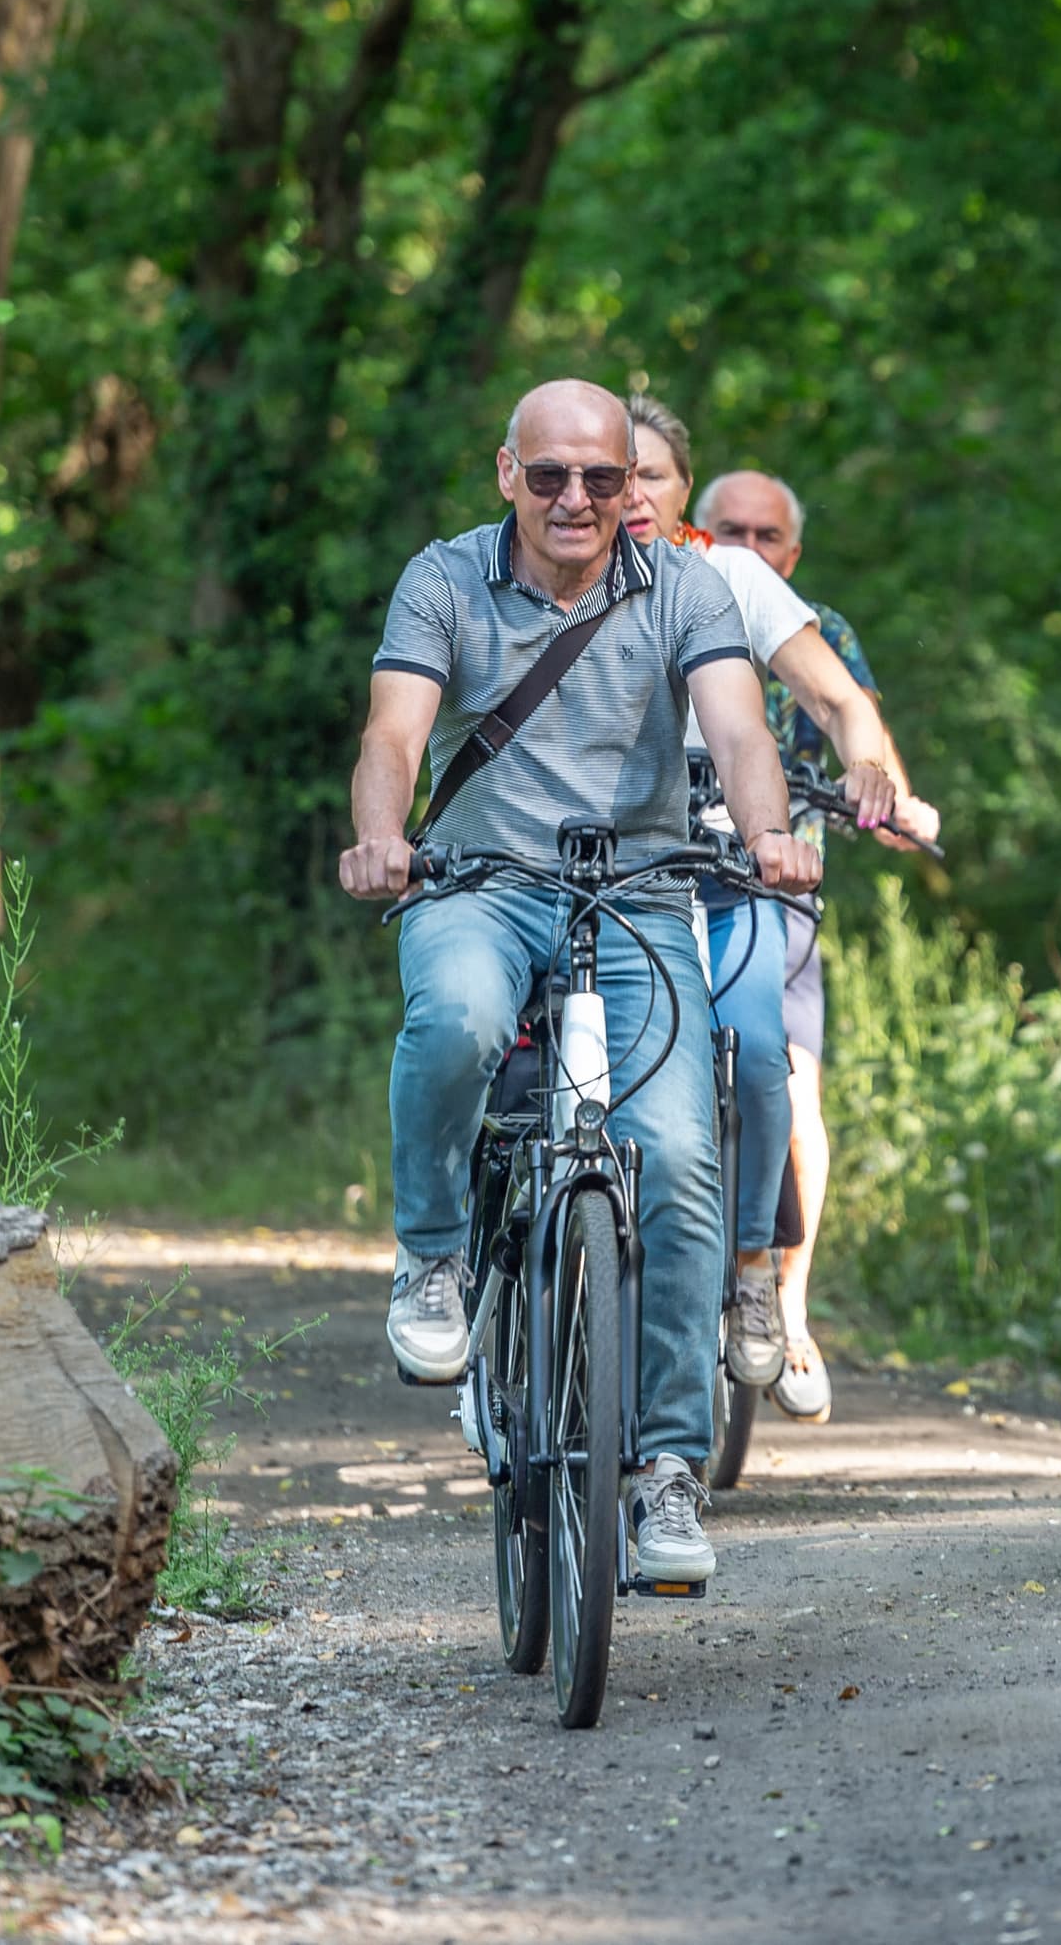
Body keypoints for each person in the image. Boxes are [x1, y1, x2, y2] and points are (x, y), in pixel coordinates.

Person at [341, 380, 818, 1587]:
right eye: (549, 476)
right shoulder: (443, 580)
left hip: (642, 895)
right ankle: (435, 1254)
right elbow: (395, 734)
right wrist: (384, 834)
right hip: (479, 884)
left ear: (631, 487)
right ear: (507, 472)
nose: (576, 499)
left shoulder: (685, 586)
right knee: (454, 1019)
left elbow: (742, 725)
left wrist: (768, 835)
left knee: (679, 1156)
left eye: (602, 479)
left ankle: (666, 1466)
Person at [615, 398, 920, 1409]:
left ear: (678, 487)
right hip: (596, 873)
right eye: (603, 472)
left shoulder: (729, 582)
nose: (623, 493)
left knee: (760, 1059)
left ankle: (759, 1274)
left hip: (737, 866)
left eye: (648, 473)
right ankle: (511, 1273)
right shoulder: (529, 574)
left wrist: (873, 768)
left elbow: (840, 701)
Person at [691, 462, 937, 1422]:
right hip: (668, 870)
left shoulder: (815, 632)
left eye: (767, 537)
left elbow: (857, 722)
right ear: (692, 530)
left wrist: (891, 793)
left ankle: (786, 1305)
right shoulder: (659, 592)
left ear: (792, 553)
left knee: (789, 1092)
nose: (749, 549)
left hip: (781, 885)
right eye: (731, 531)